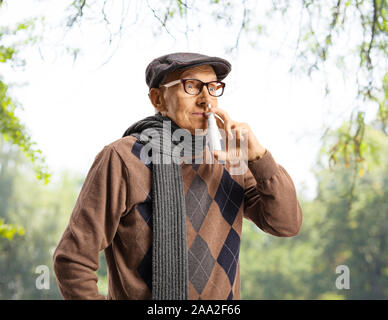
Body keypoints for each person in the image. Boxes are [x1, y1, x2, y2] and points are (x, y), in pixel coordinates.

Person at [53, 52, 303, 300]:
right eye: (192, 86)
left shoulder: (230, 159)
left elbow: (286, 224)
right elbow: (73, 259)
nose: (207, 100)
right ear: (158, 99)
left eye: (213, 88)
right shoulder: (123, 159)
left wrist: (259, 157)